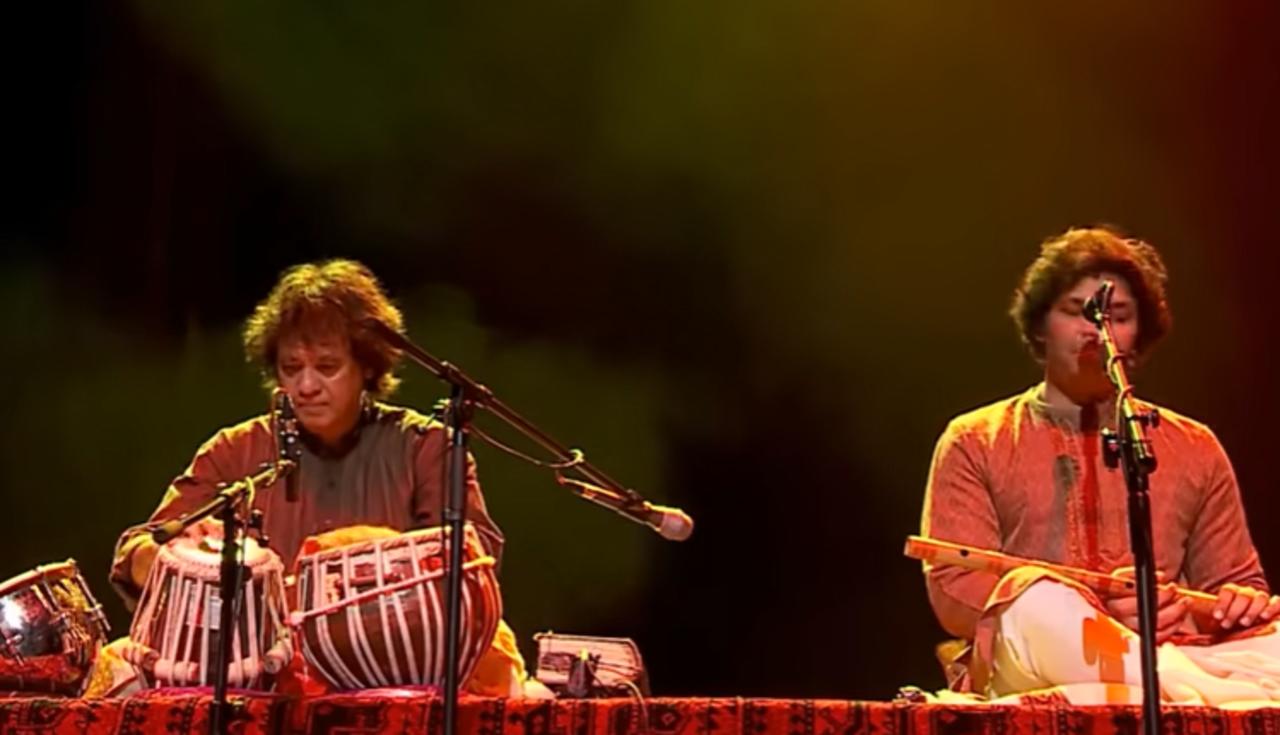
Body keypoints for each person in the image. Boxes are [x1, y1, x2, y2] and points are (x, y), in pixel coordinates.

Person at [102, 259, 526, 696]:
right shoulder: (235, 451)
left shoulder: (426, 446)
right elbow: (137, 548)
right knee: (116, 671)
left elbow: (472, 560)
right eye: (291, 368)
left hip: (389, 668)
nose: (305, 385)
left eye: (327, 367)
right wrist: (181, 558)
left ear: (367, 366)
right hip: (261, 674)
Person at [920, 226, 1280, 705]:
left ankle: (1160, 683)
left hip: (1174, 650)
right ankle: (1190, 688)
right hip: (1036, 657)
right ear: (1041, 326)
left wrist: (1201, 611)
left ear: (1137, 335)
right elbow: (955, 589)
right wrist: (1095, 609)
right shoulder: (975, 439)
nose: (1098, 329)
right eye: (1077, 311)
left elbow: (1234, 589)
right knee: (1034, 599)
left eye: (1118, 315)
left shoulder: (1194, 447)